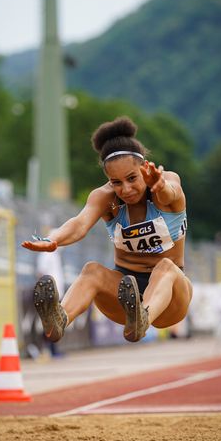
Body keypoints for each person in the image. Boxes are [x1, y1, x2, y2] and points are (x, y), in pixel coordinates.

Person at [22, 116, 192, 344]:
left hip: (169, 298)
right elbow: (79, 223)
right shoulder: (105, 198)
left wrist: (160, 185)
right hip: (125, 297)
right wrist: (53, 239)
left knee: (166, 266)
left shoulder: (164, 183)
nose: (126, 189)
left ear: (144, 168)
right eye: (116, 182)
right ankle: (59, 319)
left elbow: (172, 193)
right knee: (91, 270)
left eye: (132, 178)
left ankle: (144, 317)